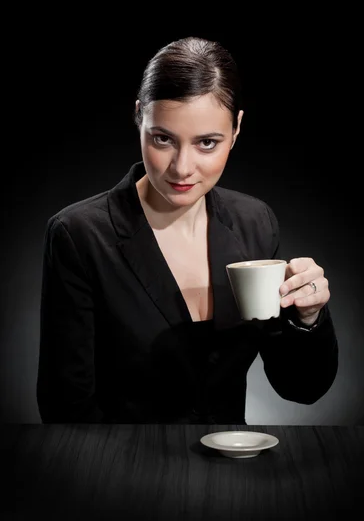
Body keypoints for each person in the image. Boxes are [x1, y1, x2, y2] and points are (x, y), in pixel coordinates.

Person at [36, 36, 338, 423]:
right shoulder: (78, 235)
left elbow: (301, 387)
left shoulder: (253, 222)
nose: (182, 168)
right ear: (139, 117)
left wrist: (308, 318)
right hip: (119, 473)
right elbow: (66, 409)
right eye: (163, 138)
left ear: (237, 128)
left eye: (207, 143)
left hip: (230, 470)